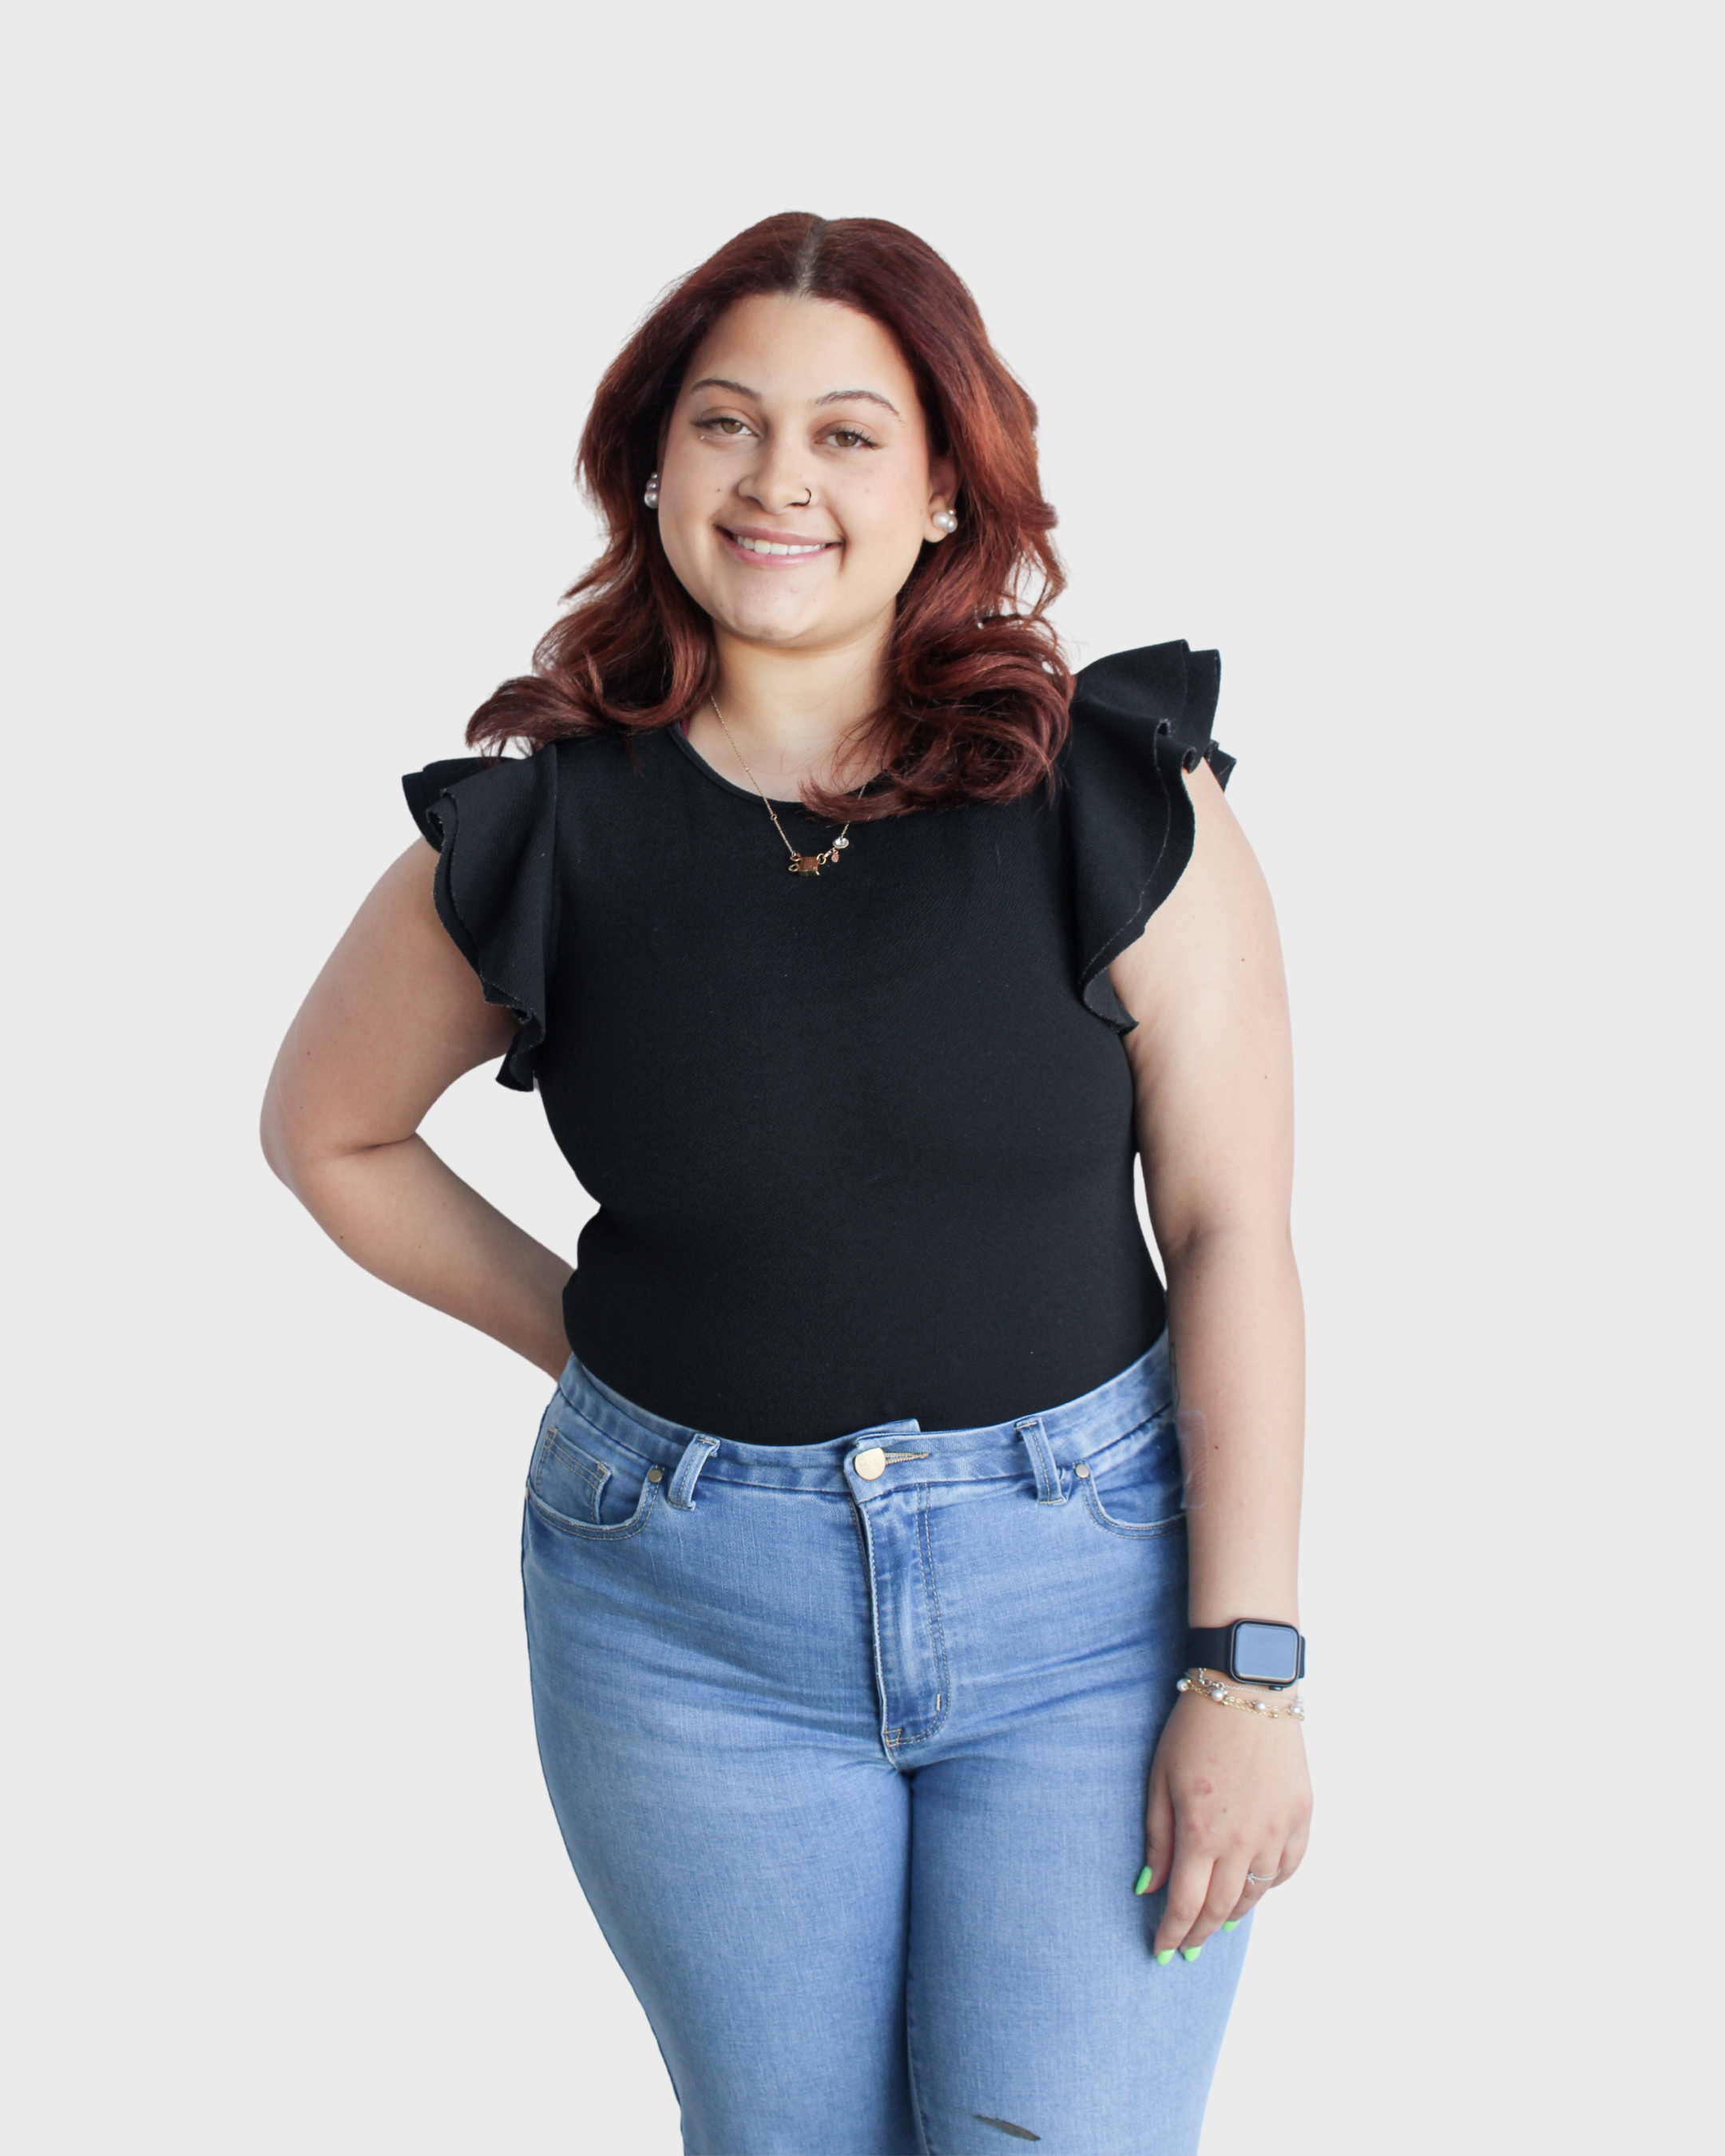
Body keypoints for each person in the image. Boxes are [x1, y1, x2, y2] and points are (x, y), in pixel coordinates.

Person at [261, 212, 1311, 2156]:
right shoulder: (537, 833)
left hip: (1084, 1607)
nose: (778, 482)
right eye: (727, 424)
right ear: (653, 465)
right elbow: (329, 1133)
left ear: (943, 487)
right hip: (687, 1626)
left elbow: (1234, 1233)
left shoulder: (1115, 798)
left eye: (847, 434)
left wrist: (1245, 1673)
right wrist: (602, 1354)